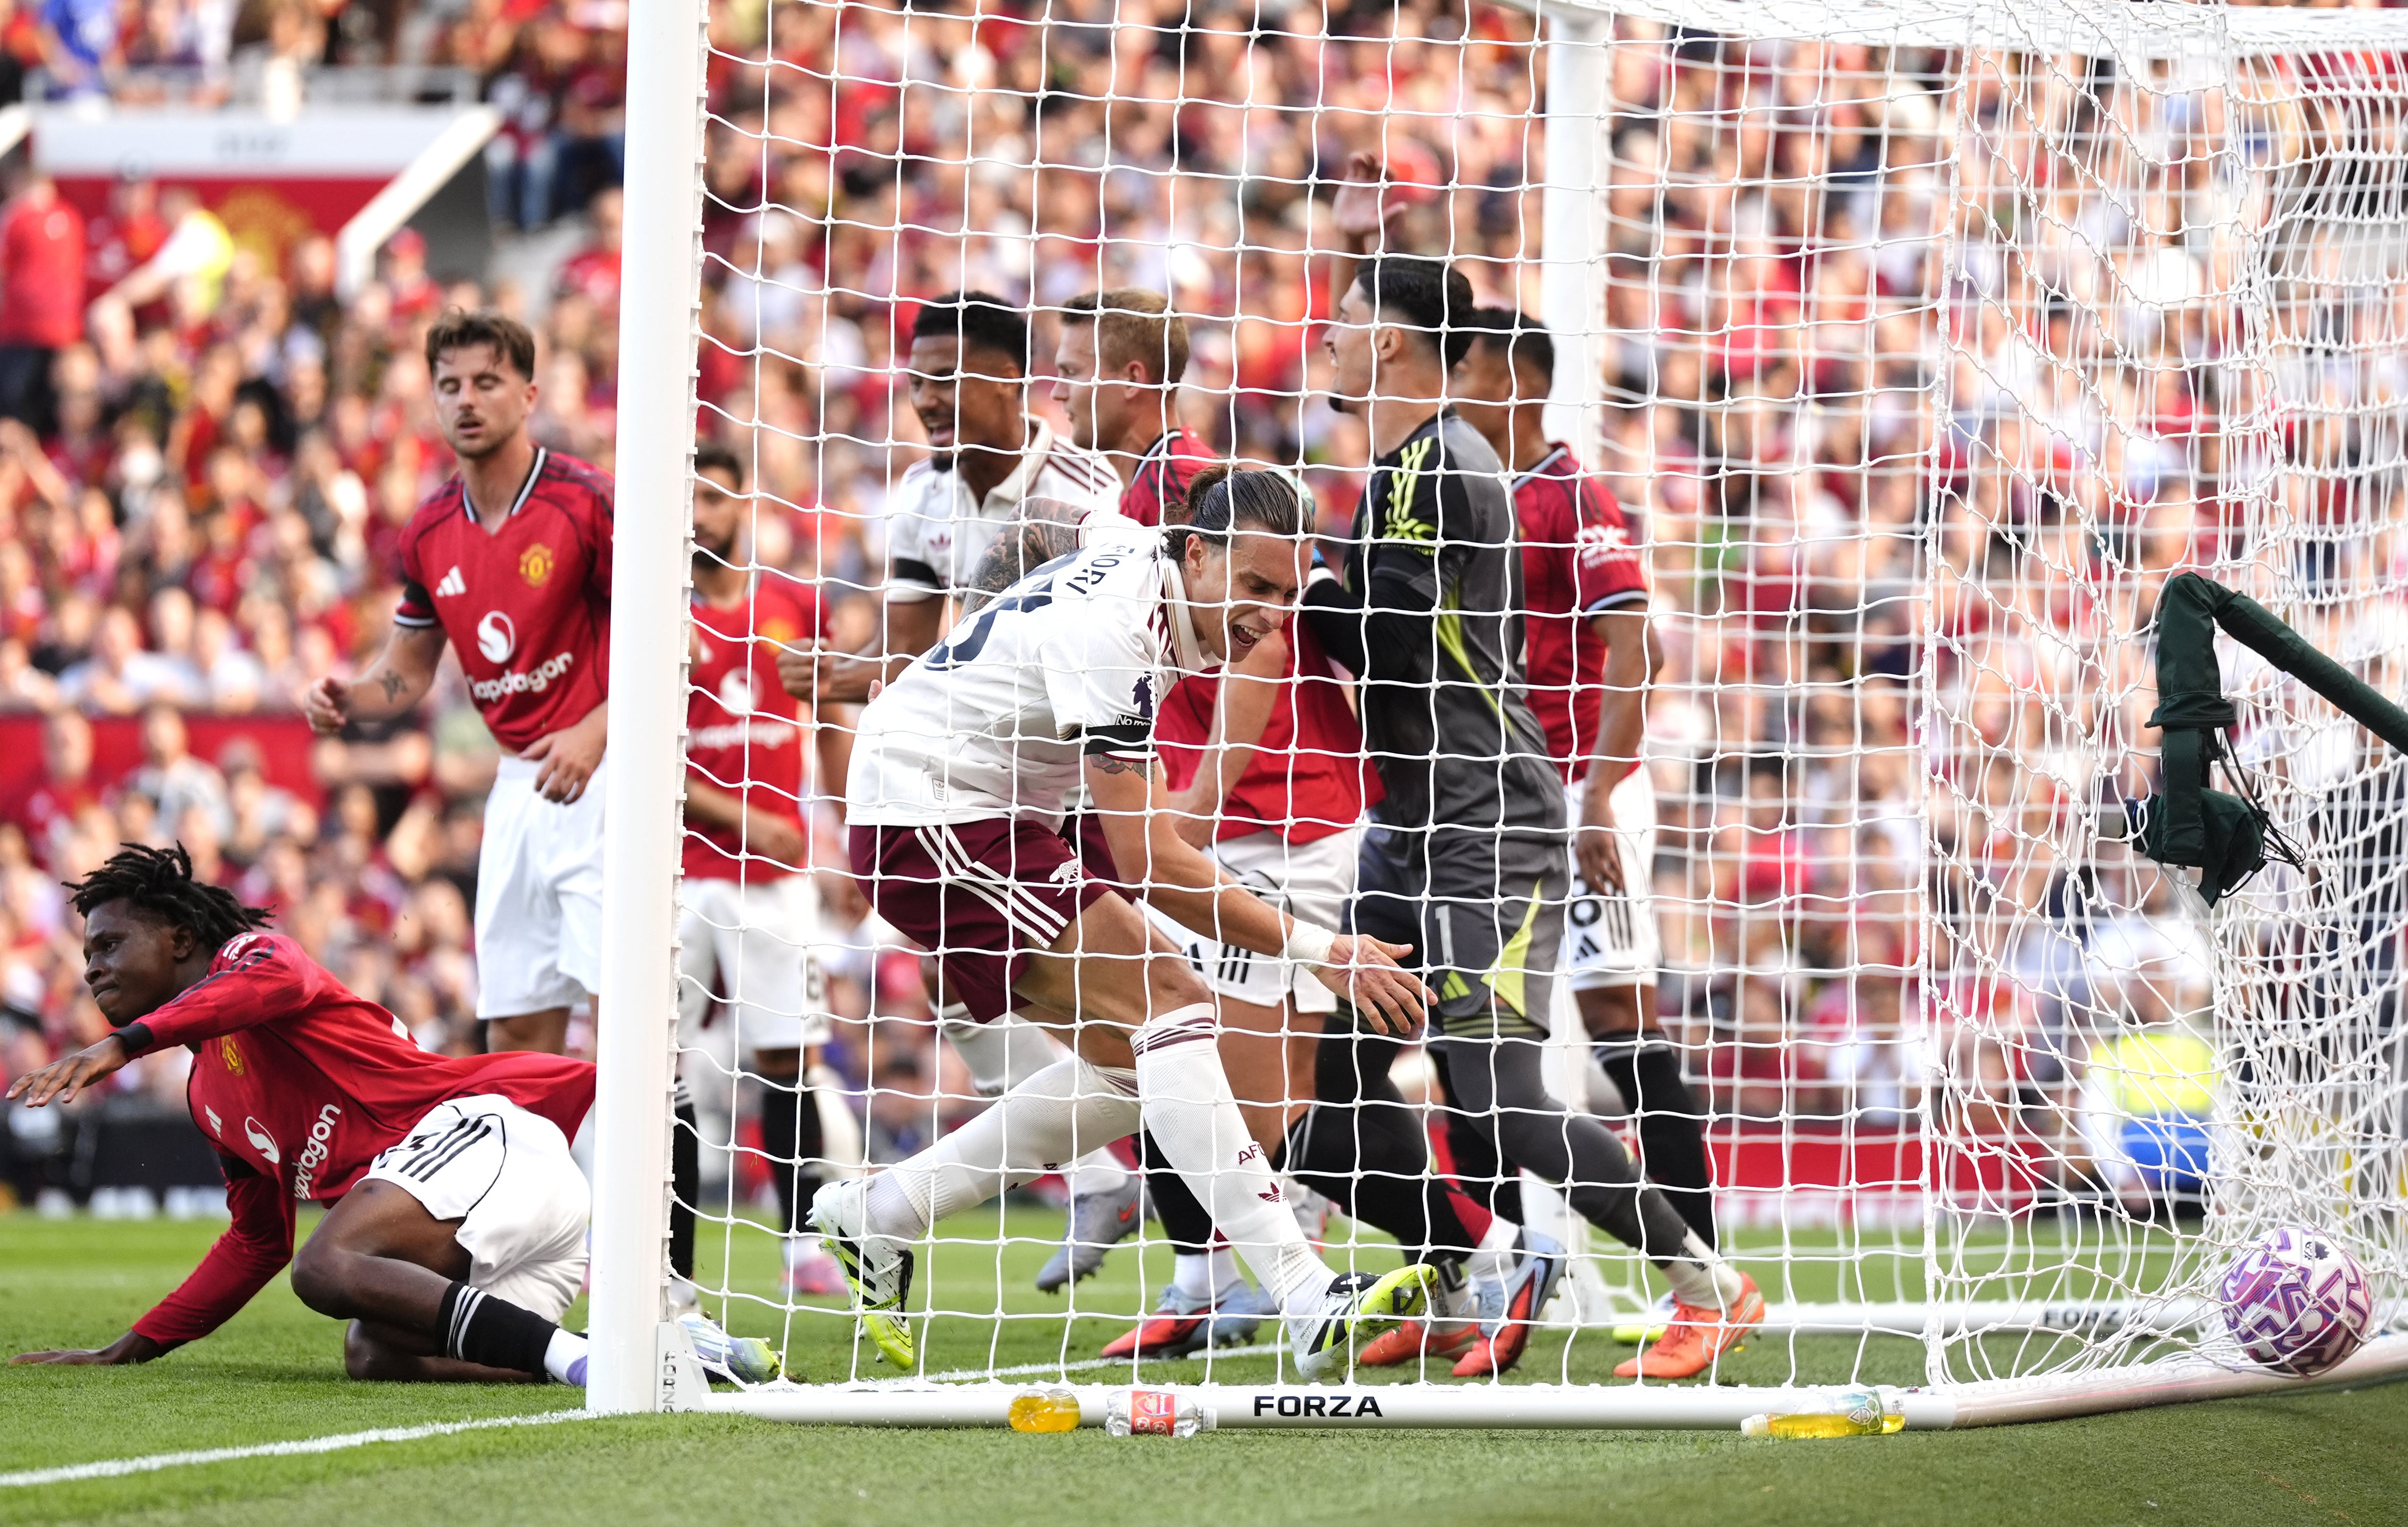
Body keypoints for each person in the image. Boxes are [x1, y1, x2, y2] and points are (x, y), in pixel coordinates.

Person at [812, 467, 1437, 1380]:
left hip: (1018, 806)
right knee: (1174, 998)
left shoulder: (1140, 557)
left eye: (1286, 591)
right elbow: (1153, 865)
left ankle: (879, 1216)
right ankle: (1302, 1294)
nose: (1269, 615)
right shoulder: (1115, 634)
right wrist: (1323, 950)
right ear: (1195, 552)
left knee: (1146, 1057)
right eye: (1253, 588)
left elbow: (1068, 525)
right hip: (931, 808)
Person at [1304, 255, 1763, 1381]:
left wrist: (1281, 576)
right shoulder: (1407, 467)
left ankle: (1709, 1283)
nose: (1327, 338)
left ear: (1397, 345)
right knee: (1331, 1095)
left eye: (1349, 322)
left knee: (1501, 1099)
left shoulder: (1439, 471)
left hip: (1488, 830)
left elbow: (1371, 640)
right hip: (1409, 824)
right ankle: (1456, 1285)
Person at [2, 843, 775, 1385]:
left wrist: (124, 1046)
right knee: (374, 1352)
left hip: (490, 1141)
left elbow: (263, 984)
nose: (92, 966)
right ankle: (618, 1354)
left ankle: (597, 1362)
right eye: (85, 954)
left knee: (328, 1267)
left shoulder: (255, 958)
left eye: (108, 943)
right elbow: (255, 1242)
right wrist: (125, 1351)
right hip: (504, 1236)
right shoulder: (209, 1097)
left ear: (177, 937)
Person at [1453, 308, 1723, 1296]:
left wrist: (1598, 797)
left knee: (1617, 1019)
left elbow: (1637, 649)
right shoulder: (1459, 490)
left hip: (1574, 792)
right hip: (1486, 800)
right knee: (1474, 1032)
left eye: (1467, 368)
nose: (1451, 386)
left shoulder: (1568, 496)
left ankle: (1700, 1274)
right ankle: (1504, 1268)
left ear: (1517, 381)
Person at [303, 309, 611, 1058]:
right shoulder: (430, 529)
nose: (466, 400)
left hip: (607, 780)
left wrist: (595, 733)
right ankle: (544, 1179)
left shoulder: (587, 500)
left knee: (626, 1021)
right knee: (516, 1033)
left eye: (486, 382)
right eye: (450, 386)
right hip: (516, 791)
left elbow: (678, 645)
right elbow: (406, 674)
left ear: (529, 394)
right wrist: (353, 696)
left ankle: (658, 1181)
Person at [673, 440, 845, 1301]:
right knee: (653, 1062)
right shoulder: (662, 617)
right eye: (687, 499)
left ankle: (801, 1245)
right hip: (683, 877)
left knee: (788, 1060)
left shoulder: (792, 605)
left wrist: (843, 831)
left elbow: (833, 721)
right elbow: (655, 759)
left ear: (743, 504)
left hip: (775, 883)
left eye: (711, 497)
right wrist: (755, 822)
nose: (698, 514)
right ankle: (641, 1250)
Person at [1051, 288, 1215, 527]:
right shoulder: (1154, 477)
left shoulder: (1176, 483)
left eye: (1072, 373)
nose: (1058, 393)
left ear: (1132, 379)